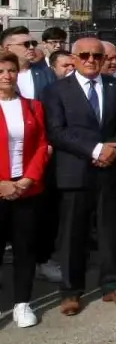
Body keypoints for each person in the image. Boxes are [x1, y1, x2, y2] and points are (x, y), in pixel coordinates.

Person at [42, 37, 116, 315]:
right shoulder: (56, 90)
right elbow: (56, 131)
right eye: (84, 55)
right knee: (73, 234)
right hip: (75, 171)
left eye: (97, 55)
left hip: (110, 169)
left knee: (110, 230)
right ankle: (71, 291)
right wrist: (96, 149)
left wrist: (114, 149)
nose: (91, 60)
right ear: (74, 58)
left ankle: (112, 285)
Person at [0, 50, 51, 328]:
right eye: (1, 72)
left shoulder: (32, 106)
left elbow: (42, 145)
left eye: (10, 71)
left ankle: (22, 303)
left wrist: (28, 179)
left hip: (27, 188)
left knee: (25, 249)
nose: (6, 76)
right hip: (1, 186)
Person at [1, 27, 55, 101]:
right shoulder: (3, 76)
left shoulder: (47, 73)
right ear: (7, 48)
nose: (32, 47)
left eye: (33, 43)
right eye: (26, 44)